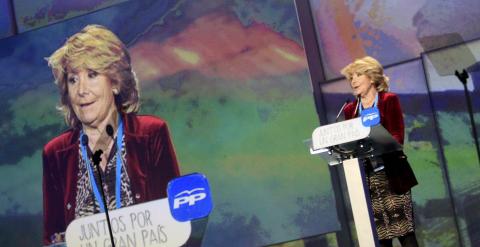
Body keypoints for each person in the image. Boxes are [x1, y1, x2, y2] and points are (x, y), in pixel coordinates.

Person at [42, 25, 180, 246]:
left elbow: (176, 222)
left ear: (115, 82)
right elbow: (52, 239)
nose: (81, 90)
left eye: (92, 75)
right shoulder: (56, 153)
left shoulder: (150, 134)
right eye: (73, 79)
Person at [341, 56, 419, 247]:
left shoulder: (388, 100)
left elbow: (397, 138)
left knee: (404, 233)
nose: (354, 80)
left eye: (358, 75)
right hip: (367, 180)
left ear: (372, 77)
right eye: (351, 77)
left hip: (392, 175)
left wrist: (375, 141)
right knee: (382, 238)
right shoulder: (350, 109)